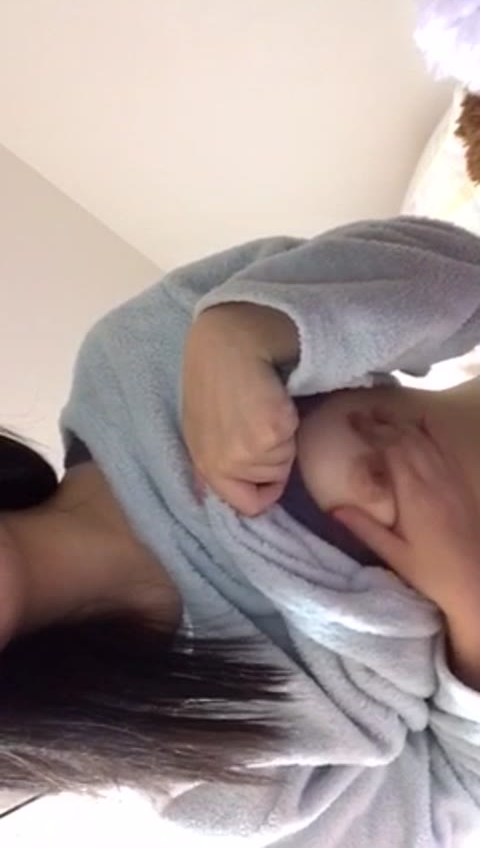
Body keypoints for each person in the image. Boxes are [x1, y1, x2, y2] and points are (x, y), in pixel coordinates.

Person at [1, 216, 480, 846]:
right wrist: (470, 605)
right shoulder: (196, 767)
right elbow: (457, 800)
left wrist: (250, 329)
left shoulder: (129, 364)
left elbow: (463, 274)